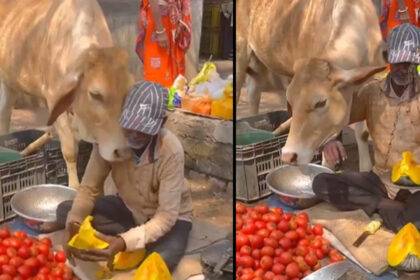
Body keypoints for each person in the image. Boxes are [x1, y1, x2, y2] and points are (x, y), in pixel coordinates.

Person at [56, 81, 193, 272]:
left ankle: (129, 243)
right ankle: (130, 242)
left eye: (143, 128)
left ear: (160, 123)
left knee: (161, 261)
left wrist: (123, 241)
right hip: (130, 210)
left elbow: (166, 216)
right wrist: (74, 221)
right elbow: (89, 189)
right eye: (130, 125)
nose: (135, 134)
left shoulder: (170, 150)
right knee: (66, 211)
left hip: (171, 219)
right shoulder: (109, 139)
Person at [313, 23, 420, 232]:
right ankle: (383, 206)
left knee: (415, 222)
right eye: (398, 61)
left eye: (409, 62)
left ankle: (386, 211)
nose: (403, 68)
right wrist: (330, 139)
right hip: (379, 181)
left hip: (417, 189)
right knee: (321, 183)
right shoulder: (372, 92)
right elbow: (337, 116)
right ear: (389, 58)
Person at [136, 0, 192, 88]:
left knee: (175, 80)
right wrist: (160, 30)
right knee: (158, 78)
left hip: (171, 22)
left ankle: (171, 99)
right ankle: (158, 99)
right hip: (159, 23)